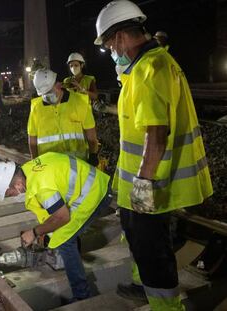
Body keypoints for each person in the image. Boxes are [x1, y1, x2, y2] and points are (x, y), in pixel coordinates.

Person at [94, 1, 213, 310]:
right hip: (143, 179)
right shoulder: (152, 64)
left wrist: (143, 185)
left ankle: (167, 307)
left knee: (153, 252)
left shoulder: (150, 69)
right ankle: (142, 287)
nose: (110, 52)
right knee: (140, 242)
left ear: (120, 37)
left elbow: (155, 135)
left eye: (109, 45)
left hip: (151, 183)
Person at [0, 152, 111, 301]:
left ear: (18, 184)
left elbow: (62, 217)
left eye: (9, 193)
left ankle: (82, 295)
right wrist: (44, 230)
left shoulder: (42, 188)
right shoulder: (29, 169)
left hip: (94, 193)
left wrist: (35, 232)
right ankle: (69, 261)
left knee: (64, 241)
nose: (12, 196)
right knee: (57, 232)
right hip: (91, 183)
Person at [28, 69, 99, 166]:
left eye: (49, 91)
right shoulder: (36, 108)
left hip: (77, 166)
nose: (47, 96)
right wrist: (35, 163)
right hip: (49, 168)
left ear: (58, 85)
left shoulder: (79, 102)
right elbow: (32, 142)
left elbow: (91, 136)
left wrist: (93, 155)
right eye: (44, 93)